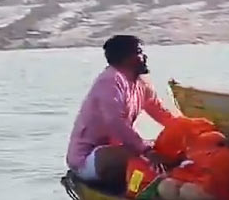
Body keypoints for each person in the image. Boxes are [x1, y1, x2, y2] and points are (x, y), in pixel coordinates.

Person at [66, 35, 179, 188]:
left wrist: (190, 130)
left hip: (119, 149)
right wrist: (147, 151)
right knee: (146, 156)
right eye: (139, 52)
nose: (144, 56)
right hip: (87, 159)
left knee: (167, 149)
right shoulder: (110, 80)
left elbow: (162, 114)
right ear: (126, 58)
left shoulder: (142, 83)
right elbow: (115, 122)